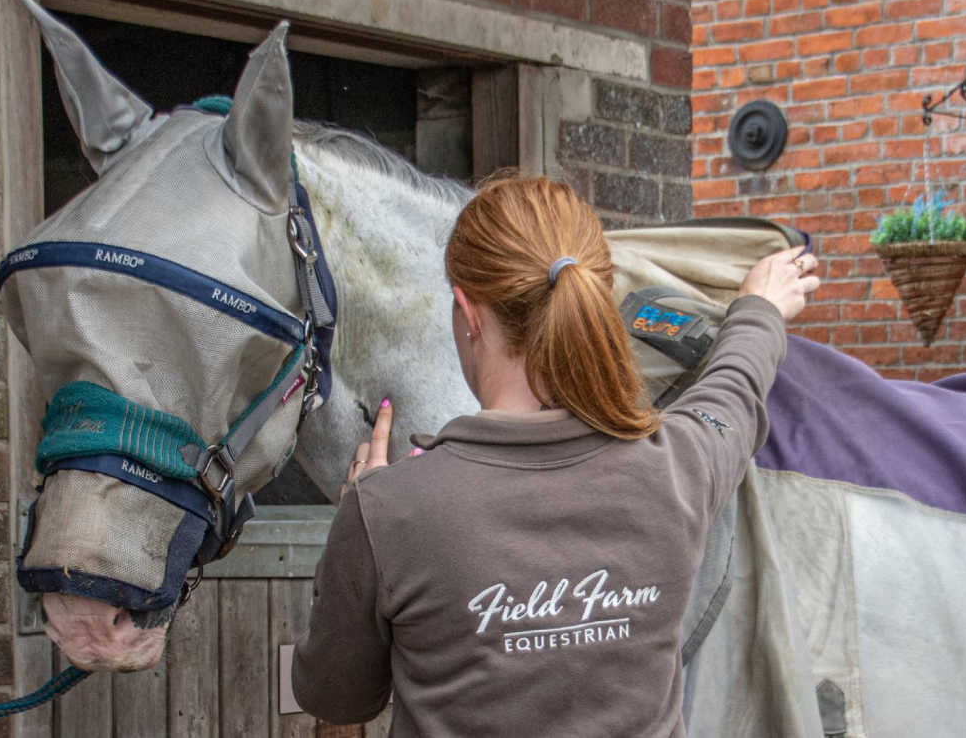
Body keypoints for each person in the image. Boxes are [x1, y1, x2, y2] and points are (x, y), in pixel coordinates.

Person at [292, 176, 820, 736]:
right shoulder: (678, 467)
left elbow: (338, 699)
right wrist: (759, 308)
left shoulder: (389, 510)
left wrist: (359, 517)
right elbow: (735, 387)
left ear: (468, 312)